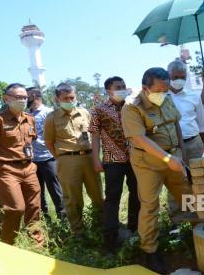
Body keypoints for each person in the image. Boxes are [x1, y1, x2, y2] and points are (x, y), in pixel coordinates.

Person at [121, 67, 191, 273]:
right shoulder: (131, 107)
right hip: (148, 162)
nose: (164, 94)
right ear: (145, 88)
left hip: (174, 157)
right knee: (150, 205)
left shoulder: (166, 97)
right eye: (159, 90)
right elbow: (138, 139)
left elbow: (175, 124)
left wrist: (181, 152)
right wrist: (167, 158)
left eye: (166, 90)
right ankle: (150, 251)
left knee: (188, 196)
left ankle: (199, 235)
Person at [0, 83, 43, 245]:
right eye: (17, 97)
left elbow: (30, 141)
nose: (22, 100)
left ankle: (37, 244)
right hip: (6, 168)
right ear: (6, 98)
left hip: (29, 167)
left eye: (24, 97)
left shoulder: (30, 119)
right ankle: (8, 244)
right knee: (15, 208)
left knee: (34, 207)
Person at [44, 83, 103, 235]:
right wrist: (61, 157)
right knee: (73, 198)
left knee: (97, 194)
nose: (70, 100)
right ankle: (78, 232)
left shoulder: (84, 113)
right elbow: (49, 142)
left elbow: (94, 134)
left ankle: (101, 226)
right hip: (67, 160)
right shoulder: (52, 118)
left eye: (72, 97)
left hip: (89, 157)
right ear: (58, 99)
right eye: (65, 98)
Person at [89, 76, 140, 252]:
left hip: (135, 159)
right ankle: (110, 237)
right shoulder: (98, 110)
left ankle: (135, 229)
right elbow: (94, 136)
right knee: (112, 198)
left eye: (124, 86)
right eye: (118, 86)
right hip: (112, 160)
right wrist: (96, 159)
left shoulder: (133, 107)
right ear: (108, 90)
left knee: (137, 194)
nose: (122, 89)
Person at [26, 87, 66, 221]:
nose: (24, 99)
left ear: (33, 96)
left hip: (48, 158)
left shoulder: (49, 113)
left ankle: (63, 219)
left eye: (25, 96)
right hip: (31, 160)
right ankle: (44, 220)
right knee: (36, 193)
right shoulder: (26, 114)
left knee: (56, 191)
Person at [167, 60, 204, 161]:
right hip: (172, 147)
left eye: (182, 77)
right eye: (175, 77)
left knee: (199, 175)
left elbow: (202, 124)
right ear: (168, 76)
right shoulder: (161, 97)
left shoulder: (193, 96)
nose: (179, 80)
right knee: (179, 176)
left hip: (194, 144)